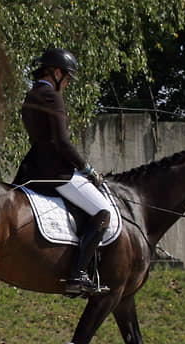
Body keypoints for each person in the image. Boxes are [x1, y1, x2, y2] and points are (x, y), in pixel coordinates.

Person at [13, 48, 111, 296]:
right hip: (56, 172)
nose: (67, 83)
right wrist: (88, 169)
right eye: (67, 77)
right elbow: (62, 143)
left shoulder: (31, 95)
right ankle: (78, 274)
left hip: (33, 167)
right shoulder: (52, 97)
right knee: (103, 211)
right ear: (56, 72)